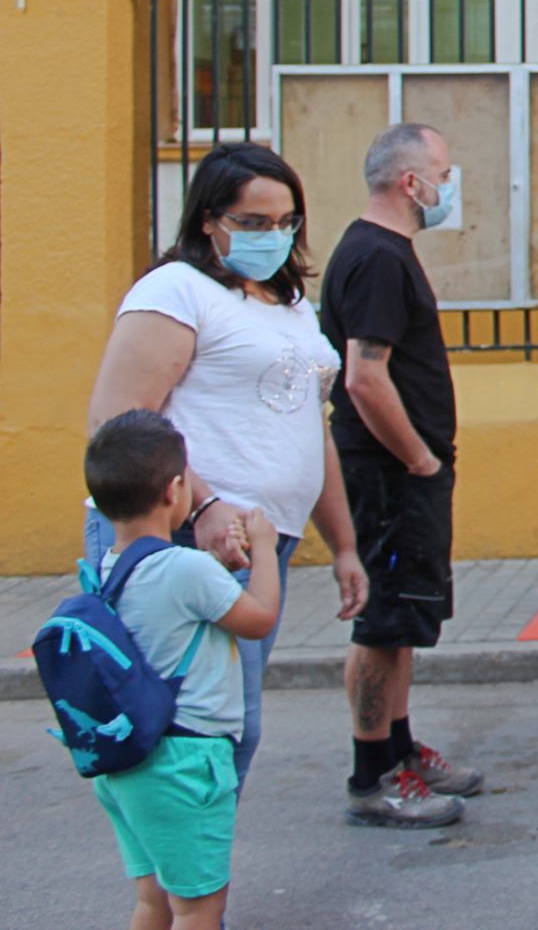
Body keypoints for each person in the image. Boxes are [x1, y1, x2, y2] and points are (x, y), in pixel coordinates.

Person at [84, 142, 365, 791]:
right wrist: (205, 506)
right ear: (209, 220)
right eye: (255, 222)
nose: (275, 236)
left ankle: (188, 881)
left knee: (228, 727)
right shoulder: (175, 291)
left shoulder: (287, 305)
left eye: (287, 222)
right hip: (182, 539)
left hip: (260, 542)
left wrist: (344, 544)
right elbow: (120, 422)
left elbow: (307, 426)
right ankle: (170, 887)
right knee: (190, 727)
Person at [316, 123, 483, 828]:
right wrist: (416, 457)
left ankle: (402, 749)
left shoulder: (386, 252)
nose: (449, 187)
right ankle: (372, 777)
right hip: (389, 475)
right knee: (383, 623)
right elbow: (364, 376)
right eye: (442, 173)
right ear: (409, 183)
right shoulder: (377, 258)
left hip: (406, 473)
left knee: (405, 616)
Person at [78, 412, 284, 930]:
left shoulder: (107, 568)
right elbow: (257, 619)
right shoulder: (185, 568)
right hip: (184, 763)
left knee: (154, 901)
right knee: (198, 908)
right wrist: (263, 547)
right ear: (176, 491)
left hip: (131, 762)